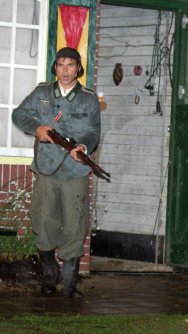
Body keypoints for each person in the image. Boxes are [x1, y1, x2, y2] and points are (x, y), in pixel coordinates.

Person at [12, 47, 101, 299]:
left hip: (75, 170)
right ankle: (49, 280)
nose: (65, 70)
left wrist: (83, 146)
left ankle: (70, 287)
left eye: (70, 65)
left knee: (75, 224)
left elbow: (94, 129)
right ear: (55, 67)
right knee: (43, 221)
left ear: (78, 68)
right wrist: (36, 128)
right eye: (60, 65)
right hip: (47, 167)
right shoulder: (42, 92)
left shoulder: (88, 98)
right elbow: (19, 114)